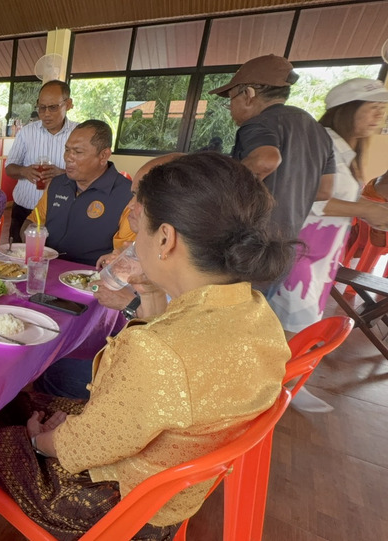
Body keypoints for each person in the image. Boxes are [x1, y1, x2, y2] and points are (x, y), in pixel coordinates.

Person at [0, 152, 293, 540]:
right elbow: (154, 394)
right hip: (170, 479)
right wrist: (150, 289)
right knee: (16, 401)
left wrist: (37, 442)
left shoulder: (158, 352)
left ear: (166, 239)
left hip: (119, 506)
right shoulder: (256, 313)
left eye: (141, 228)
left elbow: (85, 444)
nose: (133, 234)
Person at [270, 79, 388, 413]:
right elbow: (306, 198)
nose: (379, 115)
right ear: (346, 110)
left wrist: (367, 213)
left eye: (382, 109)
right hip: (302, 250)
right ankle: (284, 386)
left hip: (322, 253)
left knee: (300, 320)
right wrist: (365, 209)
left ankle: (286, 384)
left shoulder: (348, 151)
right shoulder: (323, 144)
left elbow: (338, 202)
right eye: (371, 107)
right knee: (294, 320)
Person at [36, 153, 183, 399]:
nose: (129, 206)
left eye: (138, 197)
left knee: (51, 368)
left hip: (143, 385)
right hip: (131, 352)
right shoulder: (158, 247)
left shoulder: (187, 274)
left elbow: (161, 360)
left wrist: (129, 303)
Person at [211, 54, 336, 296]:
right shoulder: (317, 131)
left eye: (232, 99)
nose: (231, 109)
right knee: (254, 309)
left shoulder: (259, 123)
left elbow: (266, 160)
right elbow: (324, 190)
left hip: (245, 249)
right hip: (281, 252)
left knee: (223, 311)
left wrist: (219, 191)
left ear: (248, 93)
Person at [32, 120, 133, 266]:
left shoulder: (127, 196)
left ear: (103, 156)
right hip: (46, 267)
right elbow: (34, 222)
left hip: (91, 275)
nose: (68, 157)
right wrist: (29, 242)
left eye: (78, 152)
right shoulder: (57, 184)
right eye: (67, 150)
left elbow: (125, 253)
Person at [5, 80, 78, 242]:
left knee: (55, 255)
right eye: (41, 107)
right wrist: (24, 171)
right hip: (24, 210)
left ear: (68, 104)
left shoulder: (78, 134)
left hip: (61, 213)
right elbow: (9, 168)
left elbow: (91, 175)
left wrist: (63, 174)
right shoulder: (27, 132)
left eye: (53, 107)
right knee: (17, 253)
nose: (46, 114)